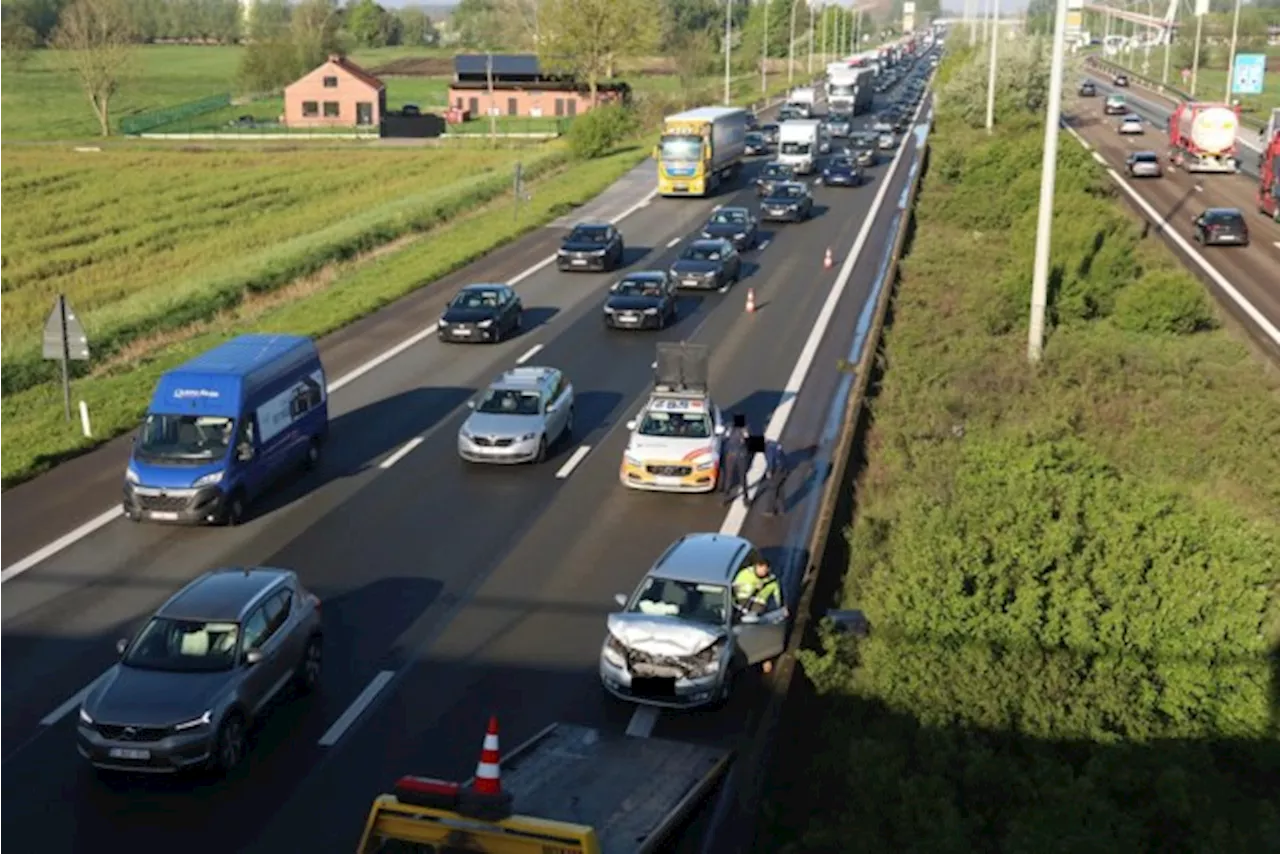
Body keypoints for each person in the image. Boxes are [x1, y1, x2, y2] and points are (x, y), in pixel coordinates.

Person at [731, 558, 786, 674]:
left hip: (757, 611)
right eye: (760, 569)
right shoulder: (745, 574)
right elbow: (734, 590)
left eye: (765, 570)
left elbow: (778, 600)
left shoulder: (772, 582)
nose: (762, 572)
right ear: (756, 566)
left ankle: (765, 657)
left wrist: (780, 610)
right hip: (739, 607)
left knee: (761, 631)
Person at [752, 439, 789, 515]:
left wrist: (769, 472)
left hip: (777, 470)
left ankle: (770, 510)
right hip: (784, 467)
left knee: (772, 489)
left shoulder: (768, 450)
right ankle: (782, 508)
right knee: (780, 487)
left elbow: (770, 462)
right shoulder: (773, 444)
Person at [720, 413, 749, 503]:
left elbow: (724, 438)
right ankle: (745, 497)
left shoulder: (730, 428)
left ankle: (726, 497)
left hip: (731, 455)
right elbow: (746, 441)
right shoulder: (743, 429)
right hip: (739, 455)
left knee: (729, 477)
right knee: (742, 477)